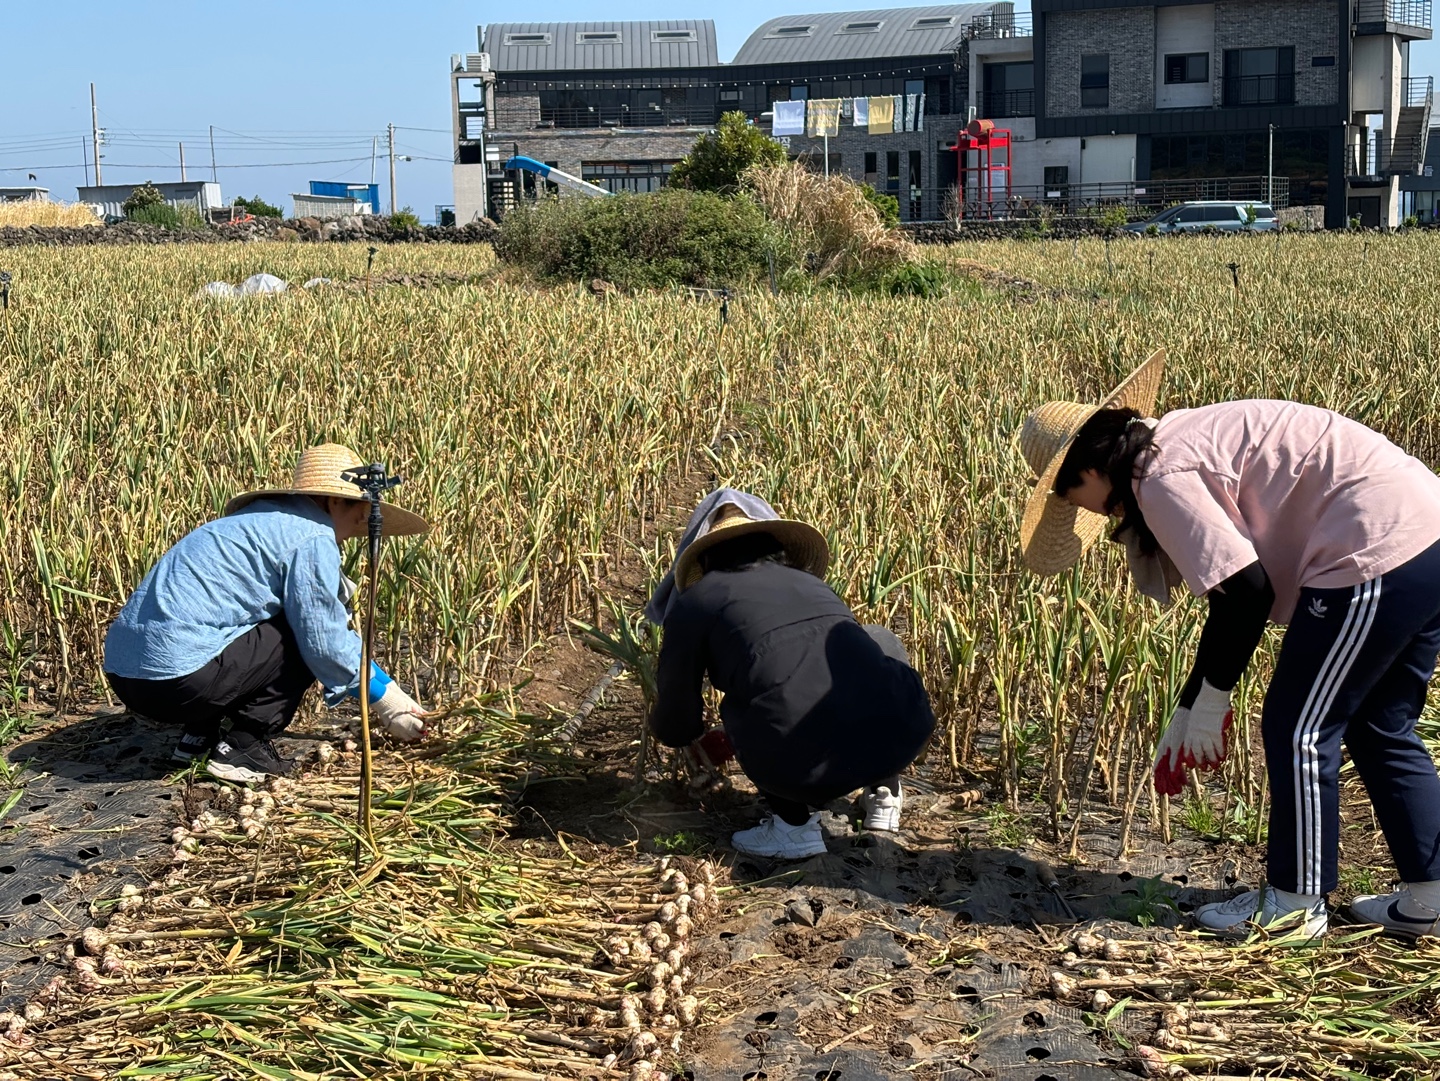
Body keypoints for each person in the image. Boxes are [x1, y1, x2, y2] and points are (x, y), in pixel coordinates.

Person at [1018, 349, 1440, 938]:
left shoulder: (1158, 476)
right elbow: (1229, 597)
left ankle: (1295, 905)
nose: (1083, 511)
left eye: (1070, 498)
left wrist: (1213, 702)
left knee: (1300, 729)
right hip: (1425, 531)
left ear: (1085, 471)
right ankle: (1432, 897)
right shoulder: (1173, 444)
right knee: (1380, 724)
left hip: (1372, 548)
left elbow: (1248, 593)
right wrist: (1190, 706)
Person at [104, 443, 431, 784]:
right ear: (334, 501)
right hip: (179, 682)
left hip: (127, 679)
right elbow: (324, 641)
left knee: (244, 624)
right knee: (298, 628)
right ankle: (242, 747)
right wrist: (388, 701)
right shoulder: (312, 536)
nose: (363, 518)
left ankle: (198, 739)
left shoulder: (252, 522)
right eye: (359, 507)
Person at [645, 489, 936, 859]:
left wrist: (690, 738)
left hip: (801, 768)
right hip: (903, 737)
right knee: (878, 639)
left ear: (705, 557)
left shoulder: (695, 602)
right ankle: (884, 796)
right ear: (774, 546)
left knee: (757, 695)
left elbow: (676, 711)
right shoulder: (812, 584)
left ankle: (794, 828)